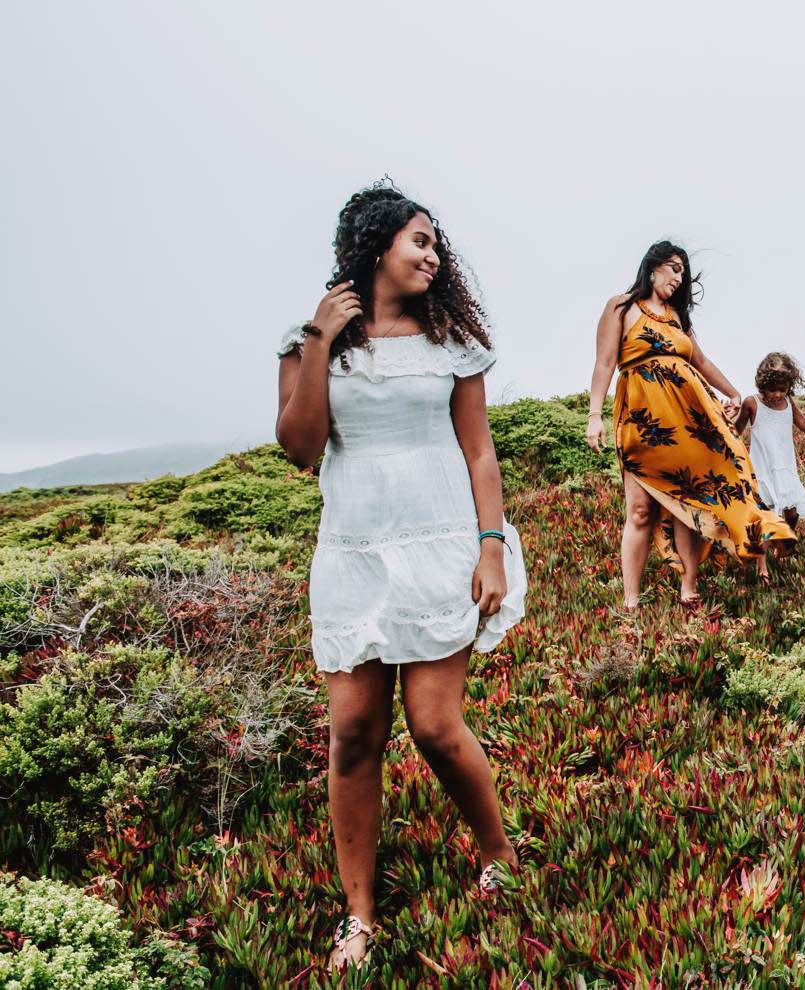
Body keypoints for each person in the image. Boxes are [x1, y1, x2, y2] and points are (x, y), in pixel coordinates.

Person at [274, 183, 527, 972]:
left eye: (435, 244)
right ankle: (359, 914)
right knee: (353, 734)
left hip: (440, 545)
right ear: (377, 244)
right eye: (419, 241)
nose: (433, 255)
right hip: (353, 553)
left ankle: (499, 855)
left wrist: (491, 546)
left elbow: (480, 451)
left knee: (434, 725)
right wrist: (320, 340)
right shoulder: (313, 339)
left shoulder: (452, 341)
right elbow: (299, 446)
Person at [586, 242, 794, 608]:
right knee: (639, 509)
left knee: (690, 497)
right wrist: (594, 416)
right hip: (642, 418)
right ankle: (631, 598)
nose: (679, 278)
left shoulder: (676, 317)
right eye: (674, 268)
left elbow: (701, 361)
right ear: (652, 267)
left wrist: (732, 392)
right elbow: (604, 363)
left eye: (683, 273)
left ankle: (690, 582)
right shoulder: (621, 306)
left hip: (689, 416)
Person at [734, 352, 805, 582]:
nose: (777, 394)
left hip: (785, 470)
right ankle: (762, 566)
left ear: (789, 386)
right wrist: (726, 416)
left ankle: (782, 547)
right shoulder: (752, 403)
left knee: (791, 515)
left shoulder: (788, 403)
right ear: (762, 384)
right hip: (762, 470)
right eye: (772, 389)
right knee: (766, 515)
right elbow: (735, 432)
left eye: (782, 389)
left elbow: (804, 426)